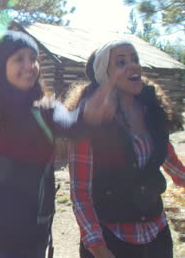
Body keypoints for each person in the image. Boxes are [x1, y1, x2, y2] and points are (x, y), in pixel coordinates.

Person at [0, 30, 114, 258]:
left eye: (33, 58)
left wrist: (87, 117)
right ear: (0, 66)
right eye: (19, 59)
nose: (30, 66)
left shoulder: (47, 110)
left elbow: (71, 126)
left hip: (33, 235)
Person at [64, 40, 184, 258]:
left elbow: (171, 163)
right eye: (121, 62)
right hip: (112, 240)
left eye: (135, 59)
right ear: (105, 76)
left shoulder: (152, 113)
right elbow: (80, 193)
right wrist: (97, 246)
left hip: (157, 236)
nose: (133, 66)